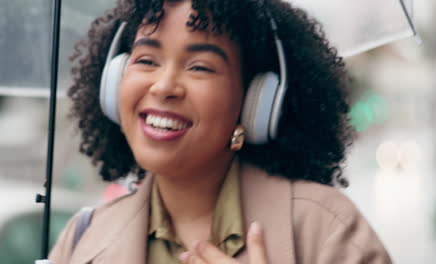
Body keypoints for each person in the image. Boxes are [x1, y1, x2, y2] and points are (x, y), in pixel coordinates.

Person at [49, 0, 392, 263]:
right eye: (146, 60)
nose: (164, 86)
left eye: (200, 67)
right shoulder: (81, 241)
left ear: (255, 101)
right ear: (113, 84)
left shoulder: (328, 230)